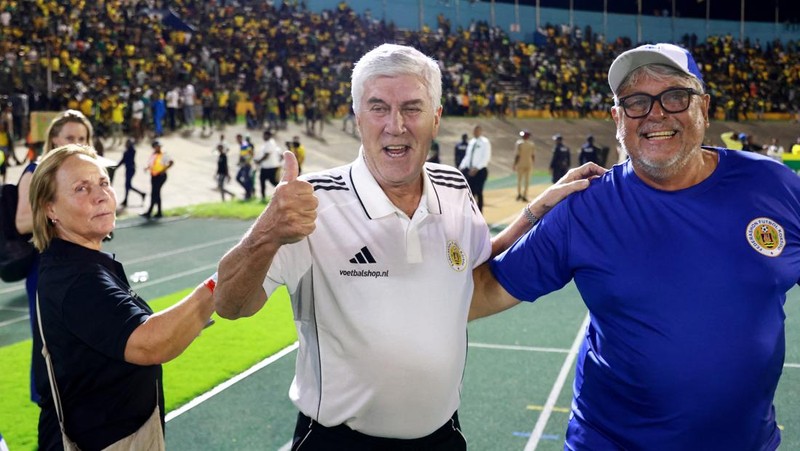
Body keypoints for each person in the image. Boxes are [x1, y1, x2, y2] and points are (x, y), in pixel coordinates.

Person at [213, 43, 603, 450]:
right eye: (379, 107)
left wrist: (537, 209)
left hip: (442, 437)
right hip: (338, 442)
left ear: (435, 120)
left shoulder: (454, 188)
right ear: (357, 119)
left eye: (412, 108)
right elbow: (230, 305)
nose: (395, 125)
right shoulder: (312, 202)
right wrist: (265, 235)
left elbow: (473, 266)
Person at [470, 43, 800, 450]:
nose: (656, 113)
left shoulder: (776, 187)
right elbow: (480, 294)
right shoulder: (584, 208)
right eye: (636, 101)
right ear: (617, 118)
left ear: (705, 108)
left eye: (675, 96)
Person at [29, 144, 215, 449]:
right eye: (81, 188)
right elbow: (150, 343)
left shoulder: (76, 262)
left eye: (103, 183)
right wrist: (219, 285)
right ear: (50, 209)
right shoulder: (77, 280)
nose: (101, 195)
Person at [15, 109, 98, 405]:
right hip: (47, 266)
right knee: (49, 341)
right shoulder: (36, 169)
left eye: (83, 138)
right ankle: (48, 404)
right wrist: (64, 215)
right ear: (53, 139)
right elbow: (23, 221)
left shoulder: (87, 174)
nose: (77, 143)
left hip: (82, 262)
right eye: (70, 137)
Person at [458, 125, 491, 212]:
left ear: (480, 131)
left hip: (480, 171)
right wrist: (461, 166)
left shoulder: (485, 142)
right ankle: (471, 212)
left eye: (477, 131)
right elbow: (467, 156)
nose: (475, 132)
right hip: (469, 170)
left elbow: (486, 157)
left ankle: (480, 212)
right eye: (474, 131)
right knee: (469, 191)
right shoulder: (471, 142)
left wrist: (477, 168)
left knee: (479, 191)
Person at [141, 140, 173, 219]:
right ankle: (159, 212)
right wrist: (147, 168)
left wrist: (163, 170)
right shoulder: (153, 155)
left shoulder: (163, 154)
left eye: (159, 146)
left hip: (160, 176)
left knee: (154, 193)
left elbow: (171, 162)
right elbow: (153, 164)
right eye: (156, 146)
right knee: (157, 193)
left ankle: (150, 211)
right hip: (154, 176)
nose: (158, 148)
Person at [254, 129, 282, 202]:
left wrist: (259, 161)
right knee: (263, 181)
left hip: (270, 167)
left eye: (265, 135)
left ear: (268, 135)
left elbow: (267, 155)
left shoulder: (270, 143)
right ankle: (263, 197)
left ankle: (282, 193)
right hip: (266, 166)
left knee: (272, 182)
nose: (263, 136)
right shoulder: (267, 143)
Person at [118, 138, 147, 208]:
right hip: (128, 169)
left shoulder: (131, 151)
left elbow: (124, 159)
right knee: (127, 186)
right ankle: (126, 200)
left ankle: (141, 194)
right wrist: (116, 166)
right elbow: (123, 160)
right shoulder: (127, 152)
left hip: (131, 169)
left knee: (128, 185)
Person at [513, 129, 535, 202]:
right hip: (529, 163)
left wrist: (514, 164)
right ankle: (525, 195)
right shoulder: (531, 144)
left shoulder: (519, 143)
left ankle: (519, 194)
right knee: (527, 181)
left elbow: (517, 155)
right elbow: (533, 155)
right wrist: (532, 163)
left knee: (519, 180)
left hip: (520, 163)